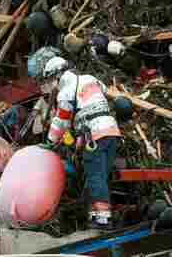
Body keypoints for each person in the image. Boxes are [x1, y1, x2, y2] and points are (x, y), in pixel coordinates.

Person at [36, 55, 122, 230]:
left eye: (51, 80)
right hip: (112, 131)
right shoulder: (89, 79)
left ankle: (103, 220)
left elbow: (61, 121)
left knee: (95, 177)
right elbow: (106, 92)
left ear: (57, 77)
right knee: (101, 176)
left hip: (94, 134)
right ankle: (94, 215)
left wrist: (49, 142)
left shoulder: (65, 92)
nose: (51, 84)